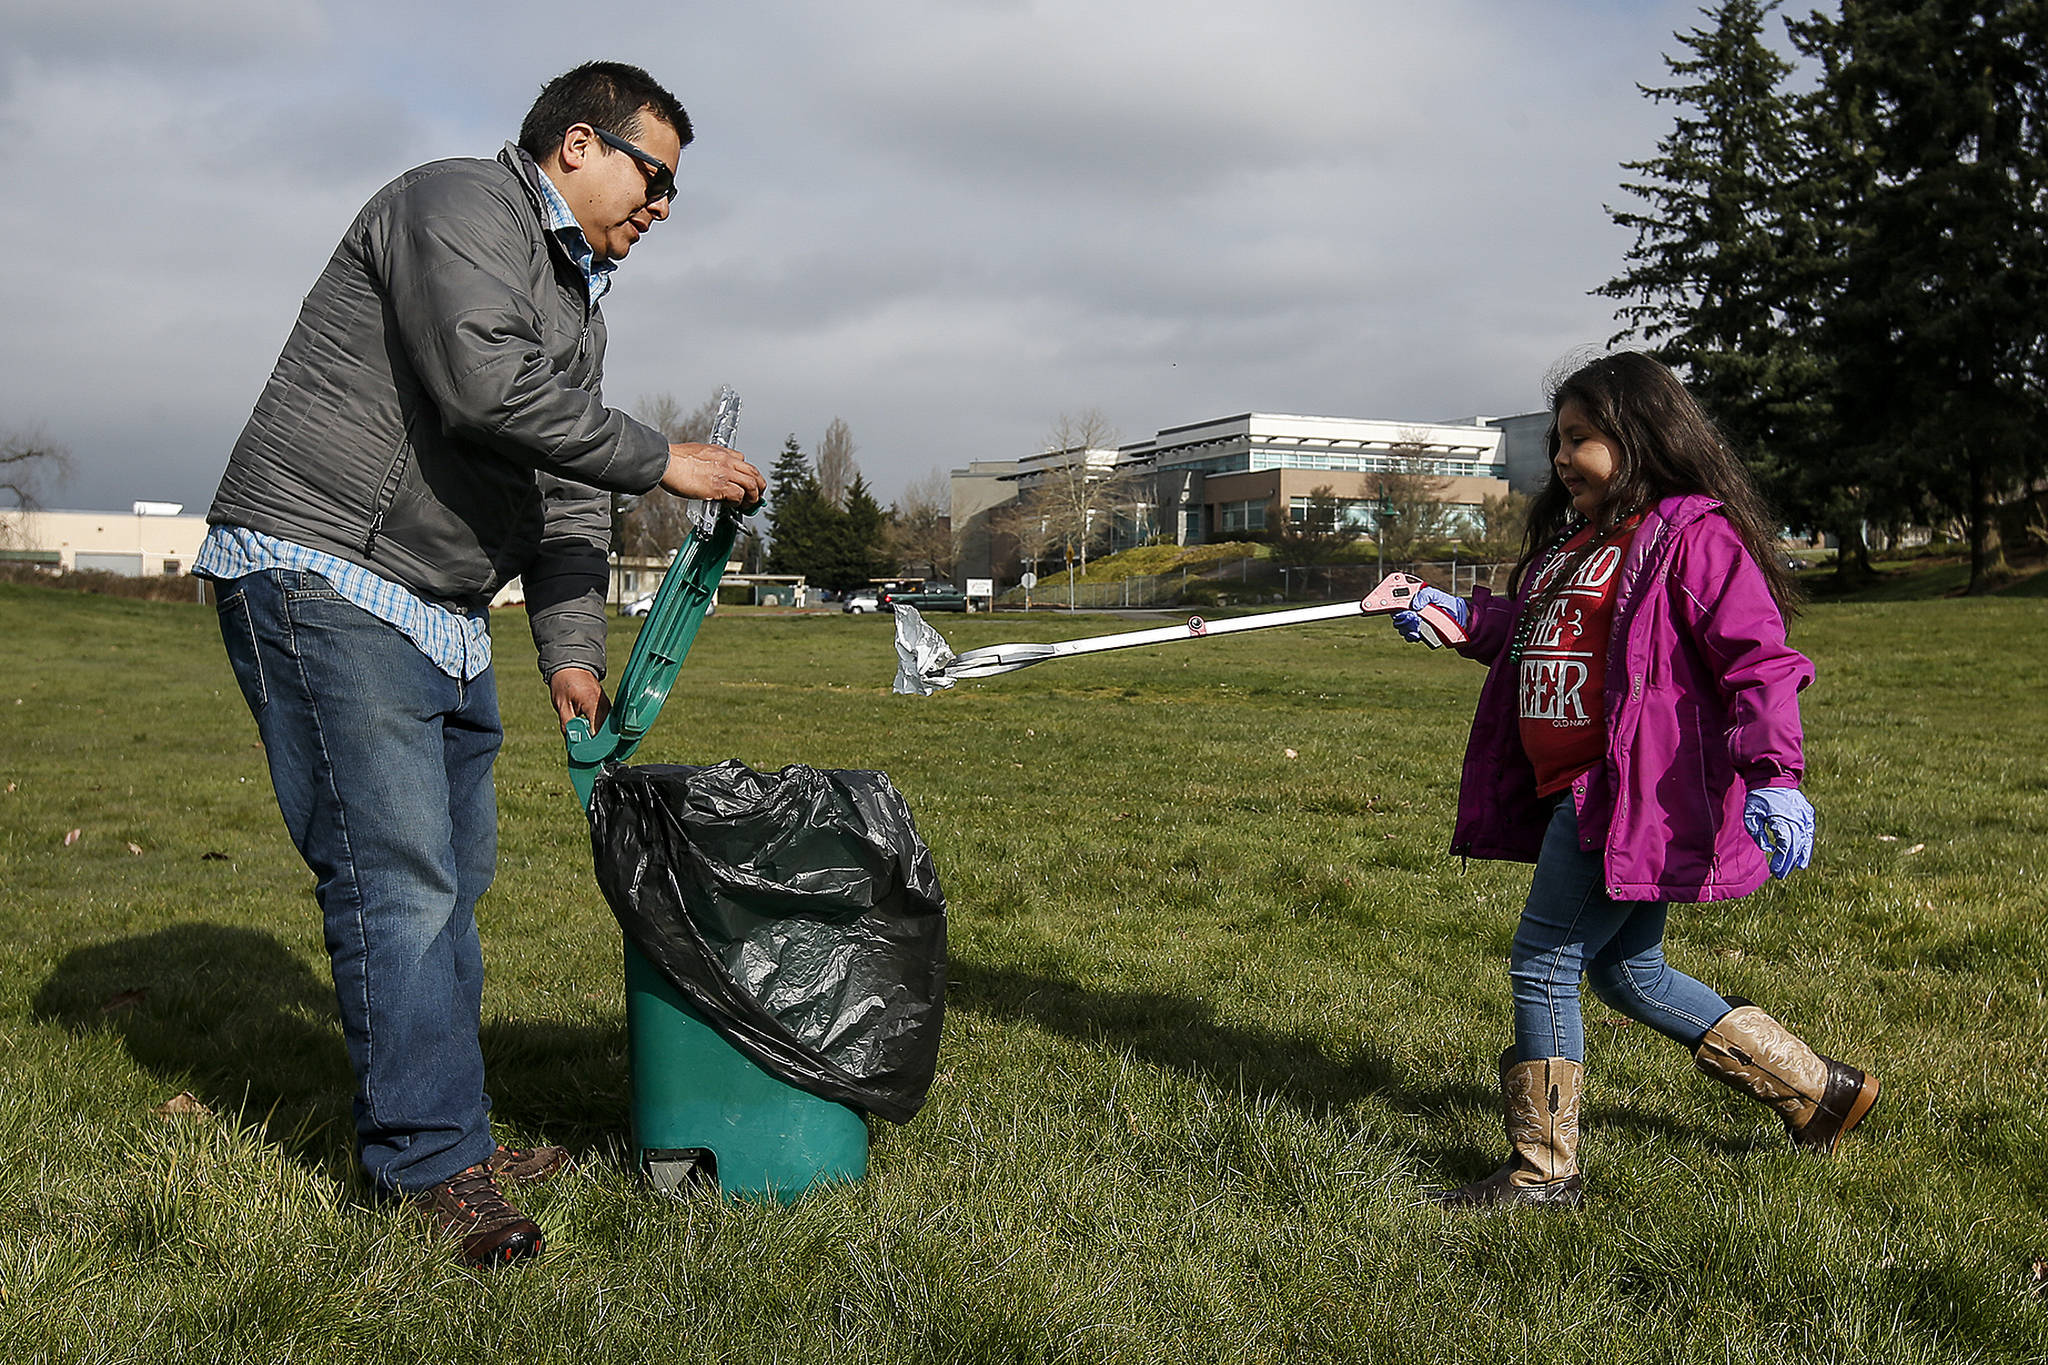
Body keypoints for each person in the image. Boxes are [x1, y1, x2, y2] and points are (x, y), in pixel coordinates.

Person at [195, 61, 765, 1266]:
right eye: (653, 177)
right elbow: (482, 385)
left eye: (674, 192)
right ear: (576, 144)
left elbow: (567, 498)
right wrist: (664, 456)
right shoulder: (455, 206)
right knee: (395, 884)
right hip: (319, 565)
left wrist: (570, 653)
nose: (662, 208)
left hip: (438, 606)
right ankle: (429, 1162)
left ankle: (448, 1129)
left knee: (453, 881)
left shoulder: (579, 309)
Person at [1389, 351, 1878, 1208]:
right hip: (1574, 793)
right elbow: (1533, 628)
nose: (1562, 458)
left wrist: (1776, 774)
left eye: (1581, 437)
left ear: (1641, 434)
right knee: (1631, 973)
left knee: (1544, 958)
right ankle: (1821, 1092)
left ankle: (1545, 1170)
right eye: (1558, 441)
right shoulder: (1573, 546)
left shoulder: (1693, 536)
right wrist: (1459, 613)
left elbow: (1758, 663)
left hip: (1622, 797)